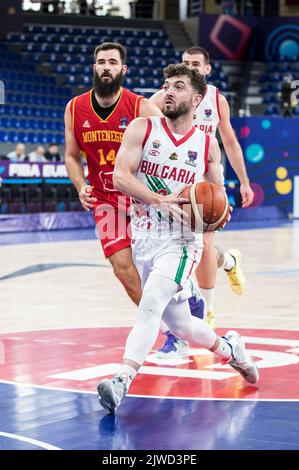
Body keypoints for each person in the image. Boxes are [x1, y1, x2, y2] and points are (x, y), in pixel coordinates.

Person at [97, 64, 259, 414]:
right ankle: (233, 350)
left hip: (183, 241)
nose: (169, 91)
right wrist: (159, 200)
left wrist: (217, 214)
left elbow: (215, 196)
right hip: (144, 235)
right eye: (166, 85)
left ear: (197, 99)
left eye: (179, 87)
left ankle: (122, 380)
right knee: (184, 326)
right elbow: (119, 177)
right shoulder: (142, 128)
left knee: (151, 301)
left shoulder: (205, 144)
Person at [150, 47, 254, 352]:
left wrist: (244, 183)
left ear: (207, 70)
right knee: (181, 247)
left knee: (204, 244)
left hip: (204, 179)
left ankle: (207, 310)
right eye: (185, 63)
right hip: (174, 175)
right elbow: (142, 114)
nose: (189, 67)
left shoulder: (217, 100)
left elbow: (231, 142)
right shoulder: (167, 95)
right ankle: (229, 261)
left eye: (195, 64)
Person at [64, 42, 164, 305]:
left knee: (155, 265)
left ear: (123, 69)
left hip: (142, 198)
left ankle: (182, 306)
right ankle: (161, 324)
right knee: (122, 267)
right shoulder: (74, 108)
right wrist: (79, 185)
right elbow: (72, 155)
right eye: (101, 62)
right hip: (106, 200)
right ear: (94, 67)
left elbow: (170, 147)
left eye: (112, 62)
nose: (106, 67)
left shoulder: (140, 107)